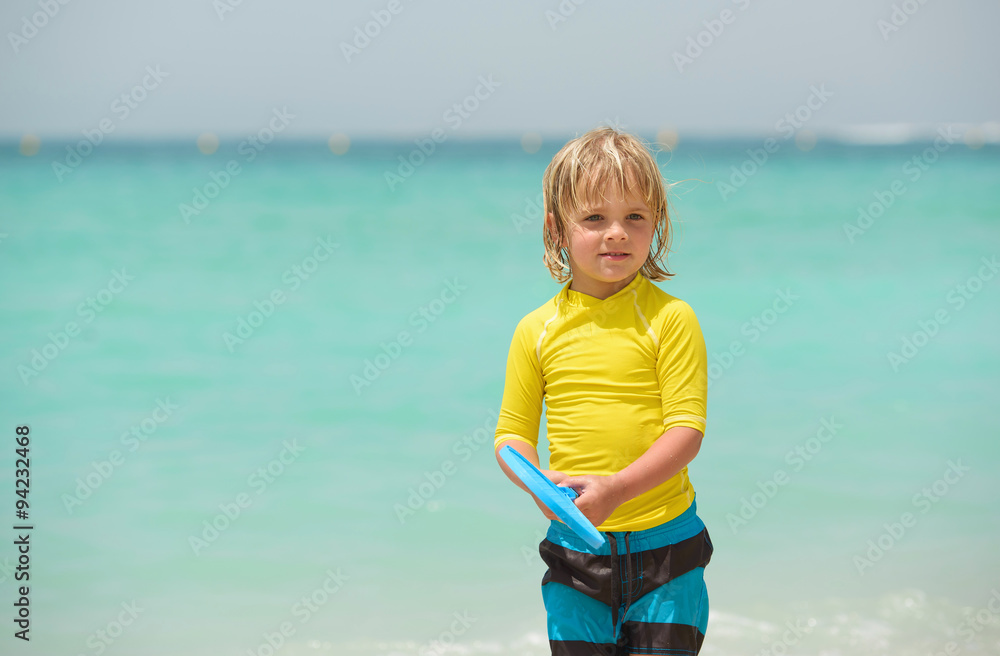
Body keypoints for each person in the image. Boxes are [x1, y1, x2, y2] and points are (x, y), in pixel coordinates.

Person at [493, 126, 714, 656]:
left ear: (655, 222)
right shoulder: (536, 330)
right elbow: (511, 437)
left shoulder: (670, 319)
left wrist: (615, 491)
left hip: (667, 553)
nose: (616, 233)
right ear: (556, 228)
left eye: (634, 216)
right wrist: (541, 485)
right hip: (575, 558)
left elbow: (685, 433)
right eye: (594, 218)